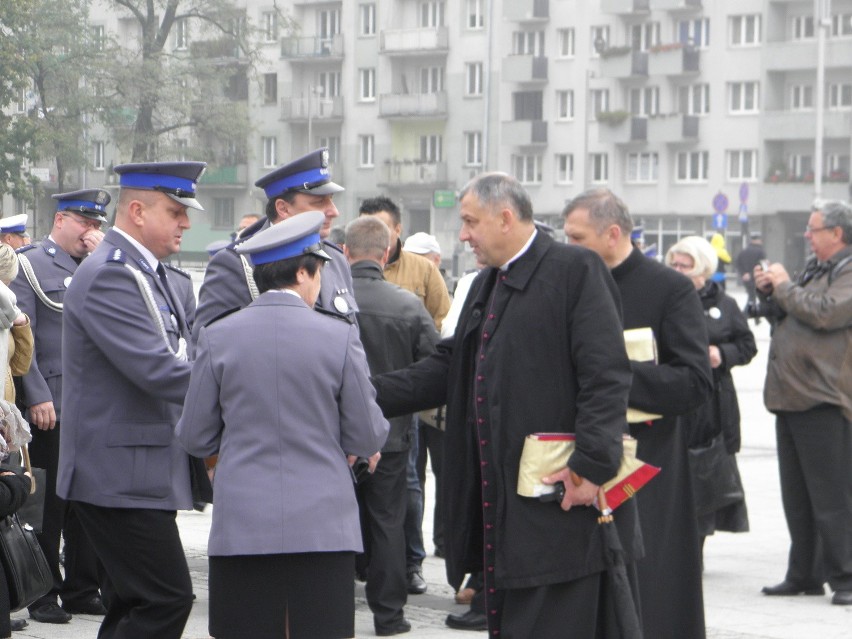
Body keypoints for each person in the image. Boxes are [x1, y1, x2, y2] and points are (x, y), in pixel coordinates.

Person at [373, 173, 641, 637]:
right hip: (500, 505)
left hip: (558, 501)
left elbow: (606, 374)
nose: (463, 235)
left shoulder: (574, 270)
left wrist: (591, 466)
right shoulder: (484, 285)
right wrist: (360, 392)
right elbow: (448, 368)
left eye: (470, 222)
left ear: (505, 217)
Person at [176, 211, 389, 639]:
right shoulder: (339, 336)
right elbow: (367, 435)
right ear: (306, 272)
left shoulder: (219, 335)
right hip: (324, 528)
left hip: (243, 524)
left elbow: (194, 435)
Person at [57, 161, 206, 638]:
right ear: (138, 211)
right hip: (118, 474)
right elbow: (159, 370)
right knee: (165, 599)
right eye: (176, 210)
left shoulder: (146, 271)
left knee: (130, 604)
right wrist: (245, 386)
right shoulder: (113, 275)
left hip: (134, 471)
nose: (186, 221)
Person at [564, 188, 713, 639]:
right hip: (579, 458)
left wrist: (612, 370)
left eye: (577, 236)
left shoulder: (668, 289)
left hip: (650, 466)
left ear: (613, 234)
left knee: (653, 592)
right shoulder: (566, 283)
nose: (568, 247)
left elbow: (694, 383)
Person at [10, 189, 109, 624]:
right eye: (85, 222)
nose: (92, 232)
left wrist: (102, 259)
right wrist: (37, 394)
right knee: (49, 504)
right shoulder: (31, 264)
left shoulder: (104, 265)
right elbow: (21, 336)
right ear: (61, 219)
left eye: (97, 225)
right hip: (54, 403)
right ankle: (44, 589)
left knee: (90, 502)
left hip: (97, 406)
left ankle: (82, 588)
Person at [345, 216, 439, 636]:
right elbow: (434, 368)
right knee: (388, 523)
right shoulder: (407, 305)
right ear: (386, 255)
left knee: (337, 519)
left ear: (346, 252)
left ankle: (331, 606)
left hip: (336, 437)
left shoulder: (328, 300)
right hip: (393, 434)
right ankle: (389, 615)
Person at [756, 200, 852, 606]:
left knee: (831, 495)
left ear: (838, 233)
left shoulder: (847, 271)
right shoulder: (815, 268)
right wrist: (770, 293)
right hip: (791, 394)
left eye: (814, 230)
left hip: (824, 396)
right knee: (797, 495)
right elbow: (789, 314)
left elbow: (827, 313)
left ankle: (846, 577)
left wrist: (785, 286)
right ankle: (804, 574)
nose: (807, 236)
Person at [359, 196, 450, 594]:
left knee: (403, 492)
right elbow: (436, 356)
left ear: (397, 231)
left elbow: (441, 325)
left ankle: (409, 565)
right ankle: (389, 606)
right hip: (391, 419)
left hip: (385, 415)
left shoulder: (422, 273)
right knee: (388, 510)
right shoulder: (403, 302)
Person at [195, 147, 357, 336]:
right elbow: (209, 349)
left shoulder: (336, 259)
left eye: (331, 200)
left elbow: (353, 340)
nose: (334, 211)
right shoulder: (236, 264)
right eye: (320, 202)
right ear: (283, 209)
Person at [665, 236, 756, 552]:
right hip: (675, 398)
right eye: (674, 264)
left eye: (684, 265)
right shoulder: (666, 298)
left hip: (713, 402)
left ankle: (696, 547)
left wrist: (722, 353)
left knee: (704, 476)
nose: (677, 270)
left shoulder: (724, 304)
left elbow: (748, 345)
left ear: (702, 268)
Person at [735, 233, 767, 321]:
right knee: (753, 296)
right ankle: (743, 316)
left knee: (752, 296)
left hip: (746, 279)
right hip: (756, 278)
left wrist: (744, 273)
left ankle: (755, 317)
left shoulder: (744, 251)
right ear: (758, 240)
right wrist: (751, 274)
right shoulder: (761, 252)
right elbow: (762, 265)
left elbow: (737, 263)